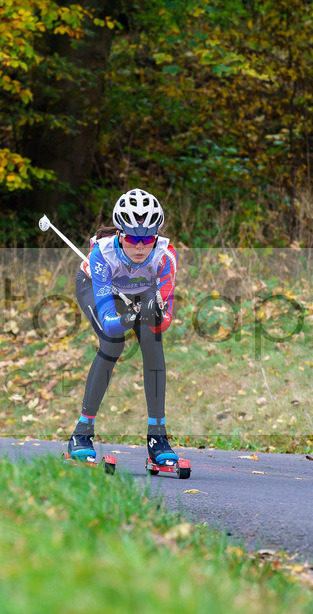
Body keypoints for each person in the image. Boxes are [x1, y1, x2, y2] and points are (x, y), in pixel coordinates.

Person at [67, 188, 179, 467]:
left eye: (147, 238)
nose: (140, 246)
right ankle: (82, 433)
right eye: (132, 238)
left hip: (141, 292)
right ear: (119, 234)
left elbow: (164, 322)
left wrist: (152, 315)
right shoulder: (101, 255)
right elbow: (108, 321)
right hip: (100, 290)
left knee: (153, 343)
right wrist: (129, 319)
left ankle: (157, 437)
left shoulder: (165, 257)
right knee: (113, 342)